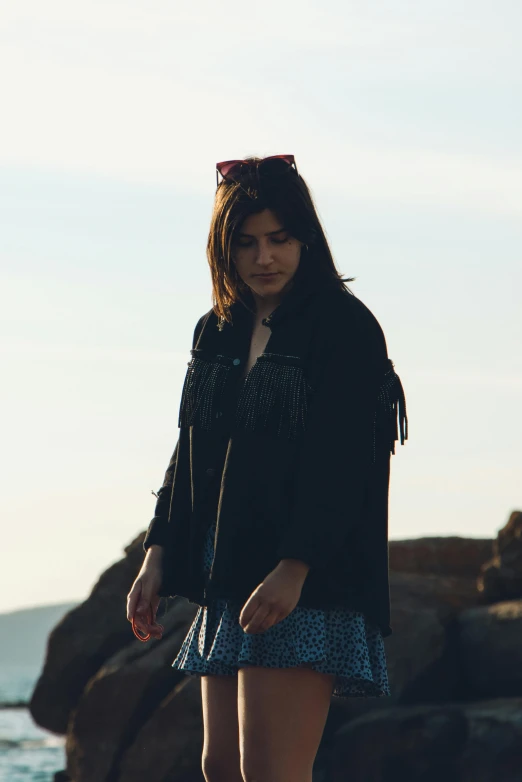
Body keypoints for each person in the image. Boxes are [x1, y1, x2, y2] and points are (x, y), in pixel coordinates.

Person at [127, 154, 408, 781]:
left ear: (306, 236)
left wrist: (294, 567)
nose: (264, 258)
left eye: (279, 239)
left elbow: (348, 465)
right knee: (221, 767)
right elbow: (191, 448)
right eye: (246, 243)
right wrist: (157, 552)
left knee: (271, 773)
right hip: (227, 574)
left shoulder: (346, 329)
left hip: (304, 580)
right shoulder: (216, 329)